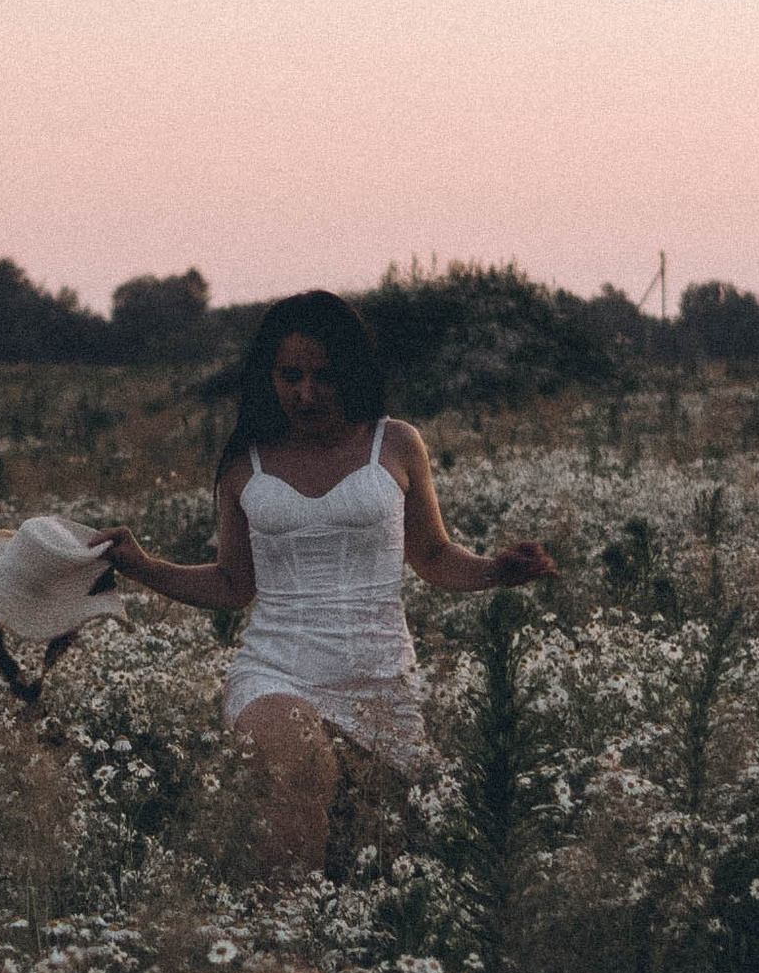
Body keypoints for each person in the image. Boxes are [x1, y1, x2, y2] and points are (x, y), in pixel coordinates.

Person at [95, 290, 556, 871]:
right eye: (290, 376)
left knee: (392, 854)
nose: (306, 393)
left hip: (381, 683)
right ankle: (279, 947)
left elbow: (433, 555)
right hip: (274, 673)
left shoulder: (397, 444)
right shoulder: (246, 462)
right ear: (270, 376)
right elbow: (235, 586)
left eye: (325, 376)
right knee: (302, 765)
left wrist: (495, 570)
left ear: (352, 374)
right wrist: (141, 565)